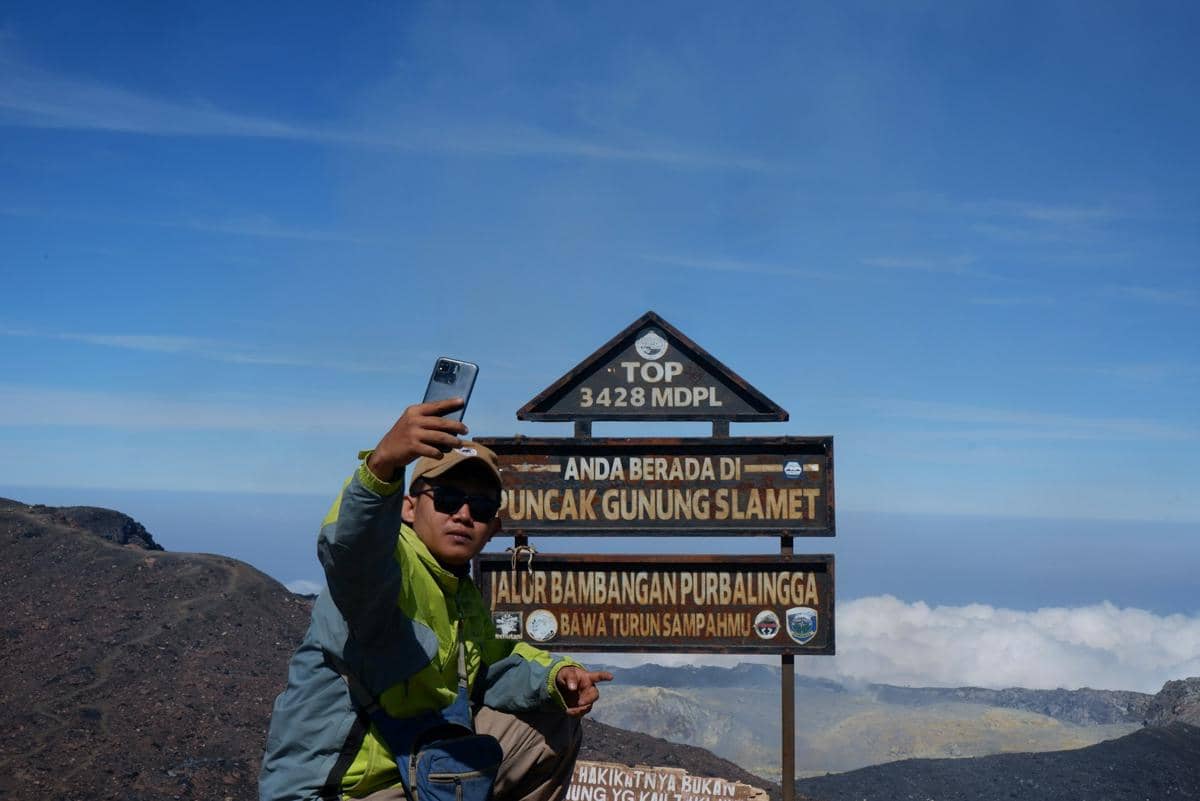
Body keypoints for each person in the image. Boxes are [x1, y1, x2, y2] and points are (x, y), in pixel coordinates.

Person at [260, 397, 612, 801]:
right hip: (344, 792)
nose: (463, 515)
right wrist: (380, 468)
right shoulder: (391, 566)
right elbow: (351, 550)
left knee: (554, 723)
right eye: (446, 499)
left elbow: (498, 665)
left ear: (493, 526)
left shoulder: (461, 594)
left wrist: (556, 678)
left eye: (480, 507)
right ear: (408, 508)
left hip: (421, 770)